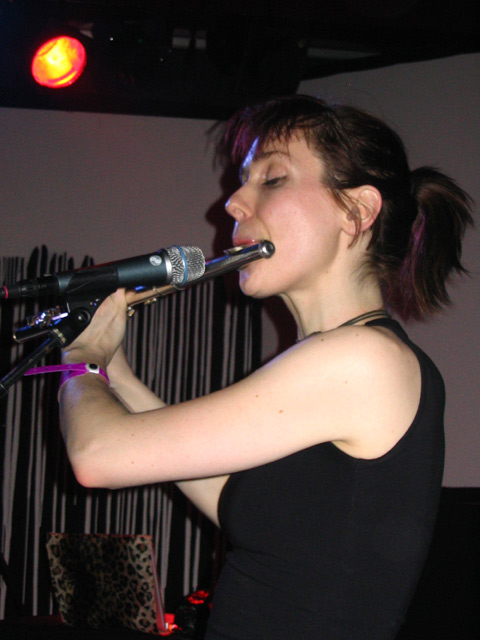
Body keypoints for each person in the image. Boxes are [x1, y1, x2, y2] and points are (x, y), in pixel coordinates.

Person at [58, 95, 473, 639]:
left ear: (357, 211)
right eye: (244, 181)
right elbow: (232, 499)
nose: (233, 203)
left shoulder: (362, 360)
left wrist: (79, 360)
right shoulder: (336, 362)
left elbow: (96, 455)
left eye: (272, 179)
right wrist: (118, 373)